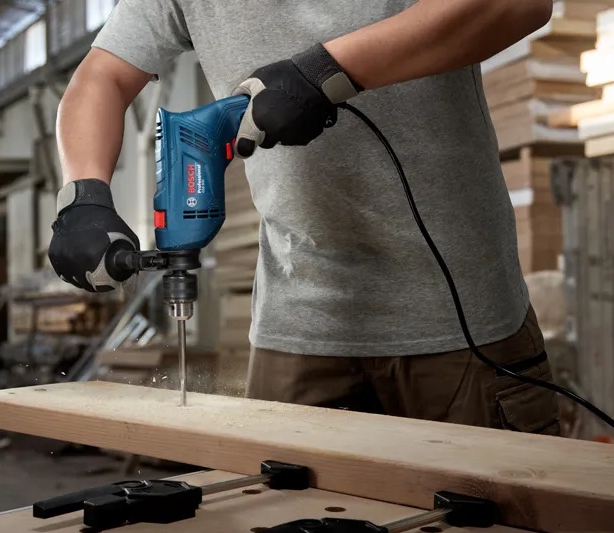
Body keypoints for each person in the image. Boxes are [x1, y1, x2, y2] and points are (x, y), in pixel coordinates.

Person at [48, 0, 561, 435]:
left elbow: (518, 4)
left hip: (462, 320)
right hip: (296, 320)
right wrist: (83, 196)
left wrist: (326, 72)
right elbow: (103, 75)